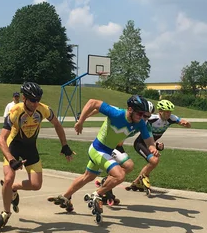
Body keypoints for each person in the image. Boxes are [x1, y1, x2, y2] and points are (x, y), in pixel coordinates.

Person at [48, 95, 157, 223]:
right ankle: (97, 194)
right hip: (97, 149)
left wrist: (152, 148)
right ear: (130, 109)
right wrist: (81, 121)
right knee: (120, 175)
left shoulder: (140, 124)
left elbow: (148, 140)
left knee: (88, 176)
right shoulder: (116, 113)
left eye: (144, 114)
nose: (141, 117)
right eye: (139, 113)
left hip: (107, 151)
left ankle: (65, 197)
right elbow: (92, 102)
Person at [0, 81, 75, 233]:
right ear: (24, 98)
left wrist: (65, 145)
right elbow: (1, 139)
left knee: (36, 185)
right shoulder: (15, 111)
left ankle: (14, 189)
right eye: (32, 100)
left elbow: (57, 124)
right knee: (9, 177)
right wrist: (11, 159)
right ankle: (6, 212)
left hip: (31, 147)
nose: (36, 103)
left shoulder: (43, 109)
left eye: (38, 100)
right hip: (14, 147)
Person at [127, 99, 191, 193]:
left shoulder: (171, 118)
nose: (168, 114)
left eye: (170, 112)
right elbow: (139, 124)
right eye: (166, 112)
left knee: (154, 162)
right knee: (154, 160)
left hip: (152, 144)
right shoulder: (152, 118)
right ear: (160, 111)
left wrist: (186, 123)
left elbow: (182, 121)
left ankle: (136, 182)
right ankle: (140, 180)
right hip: (140, 143)